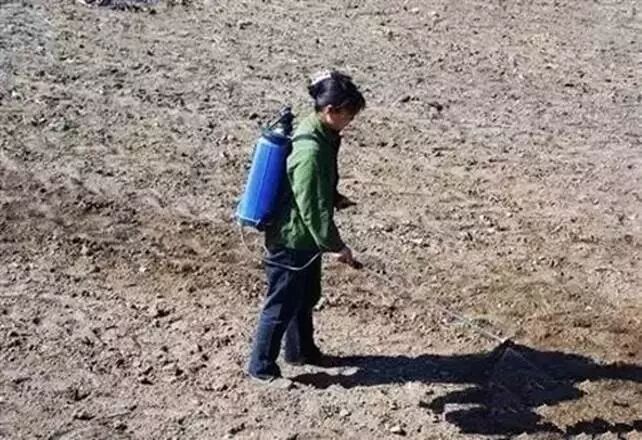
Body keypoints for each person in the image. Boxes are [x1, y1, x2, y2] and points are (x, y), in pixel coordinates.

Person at [247, 70, 366, 384]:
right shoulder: (311, 150)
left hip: (305, 238)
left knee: (305, 296)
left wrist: (335, 197)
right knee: (281, 304)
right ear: (330, 110)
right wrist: (337, 246)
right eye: (348, 114)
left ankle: (301, 351)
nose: (350, 121)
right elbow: (310, 207)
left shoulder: (322, 133)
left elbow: (314, 188)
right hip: (291, 239)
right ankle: (261, 368)